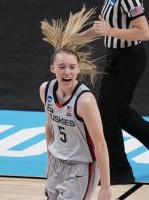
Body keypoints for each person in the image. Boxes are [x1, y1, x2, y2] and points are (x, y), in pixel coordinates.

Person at [74, 0, 149, 185]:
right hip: (116, 57)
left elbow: (144, 32)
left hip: (129, 59)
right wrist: (76, 38)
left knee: (107, 115)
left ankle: (120, 172)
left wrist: (110, 31)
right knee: (119, 113)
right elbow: (102, 28)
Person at [40, 7, 111, 200]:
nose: (67, 72)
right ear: (52, 68)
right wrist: (49, 159)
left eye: (72, 67)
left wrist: (105, 188)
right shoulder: (46, 90)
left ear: (79, 69)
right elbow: (49, 128)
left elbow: (100, 143)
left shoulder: (85, 100)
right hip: (56, 163)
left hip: (80, 168)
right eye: (62, 67)